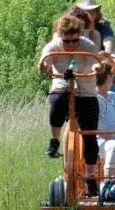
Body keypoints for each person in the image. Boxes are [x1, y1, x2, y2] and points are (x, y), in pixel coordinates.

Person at [40, 13, 102, 196]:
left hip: (86, 90)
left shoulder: (87, 45)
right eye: (66, 41)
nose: (70, 45)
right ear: (60, 36)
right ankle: (54, 140)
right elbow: (44, 61)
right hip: (63, 87)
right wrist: (44, 67)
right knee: (58, 99)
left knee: (90, 134)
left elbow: (95, 63)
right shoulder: (53, 46)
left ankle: (91, 178)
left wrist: (97, 68)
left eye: (74, 41)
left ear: (79, 36)